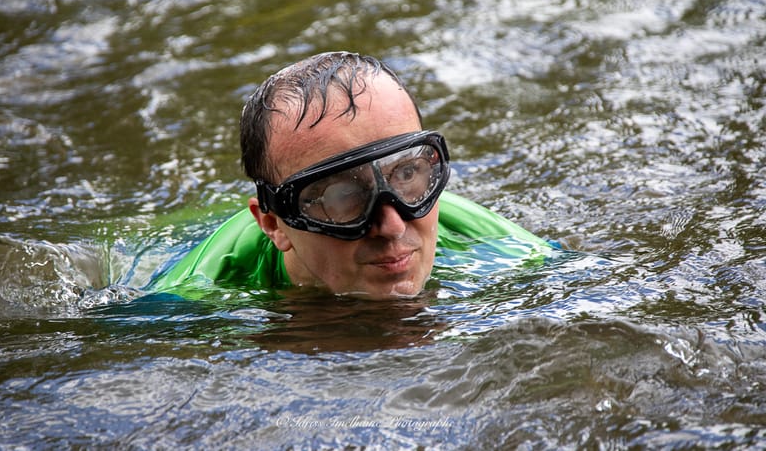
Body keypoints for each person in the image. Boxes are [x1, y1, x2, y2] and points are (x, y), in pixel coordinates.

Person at [149, 51, 553, 300]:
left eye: (407, 173)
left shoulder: (505, 251)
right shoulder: (196, 293)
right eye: (342, 196)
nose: (393, 226)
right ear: (274, 223)